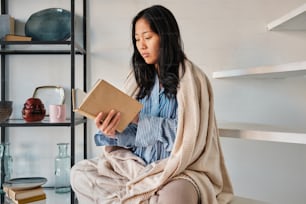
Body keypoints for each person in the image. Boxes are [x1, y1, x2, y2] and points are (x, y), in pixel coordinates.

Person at [71, 5, 233, 204]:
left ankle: (145, 196)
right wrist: (113, 131)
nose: (141, 46)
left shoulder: (193, 80)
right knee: (80, 172)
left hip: (177, 170)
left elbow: (191, 137)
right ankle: (146, 196)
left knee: (176, 196)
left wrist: (140, 118)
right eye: (137, 40)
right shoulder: (137, 80)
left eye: (147, 37)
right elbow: (132, 139)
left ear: (165, 37)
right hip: (137, 168)